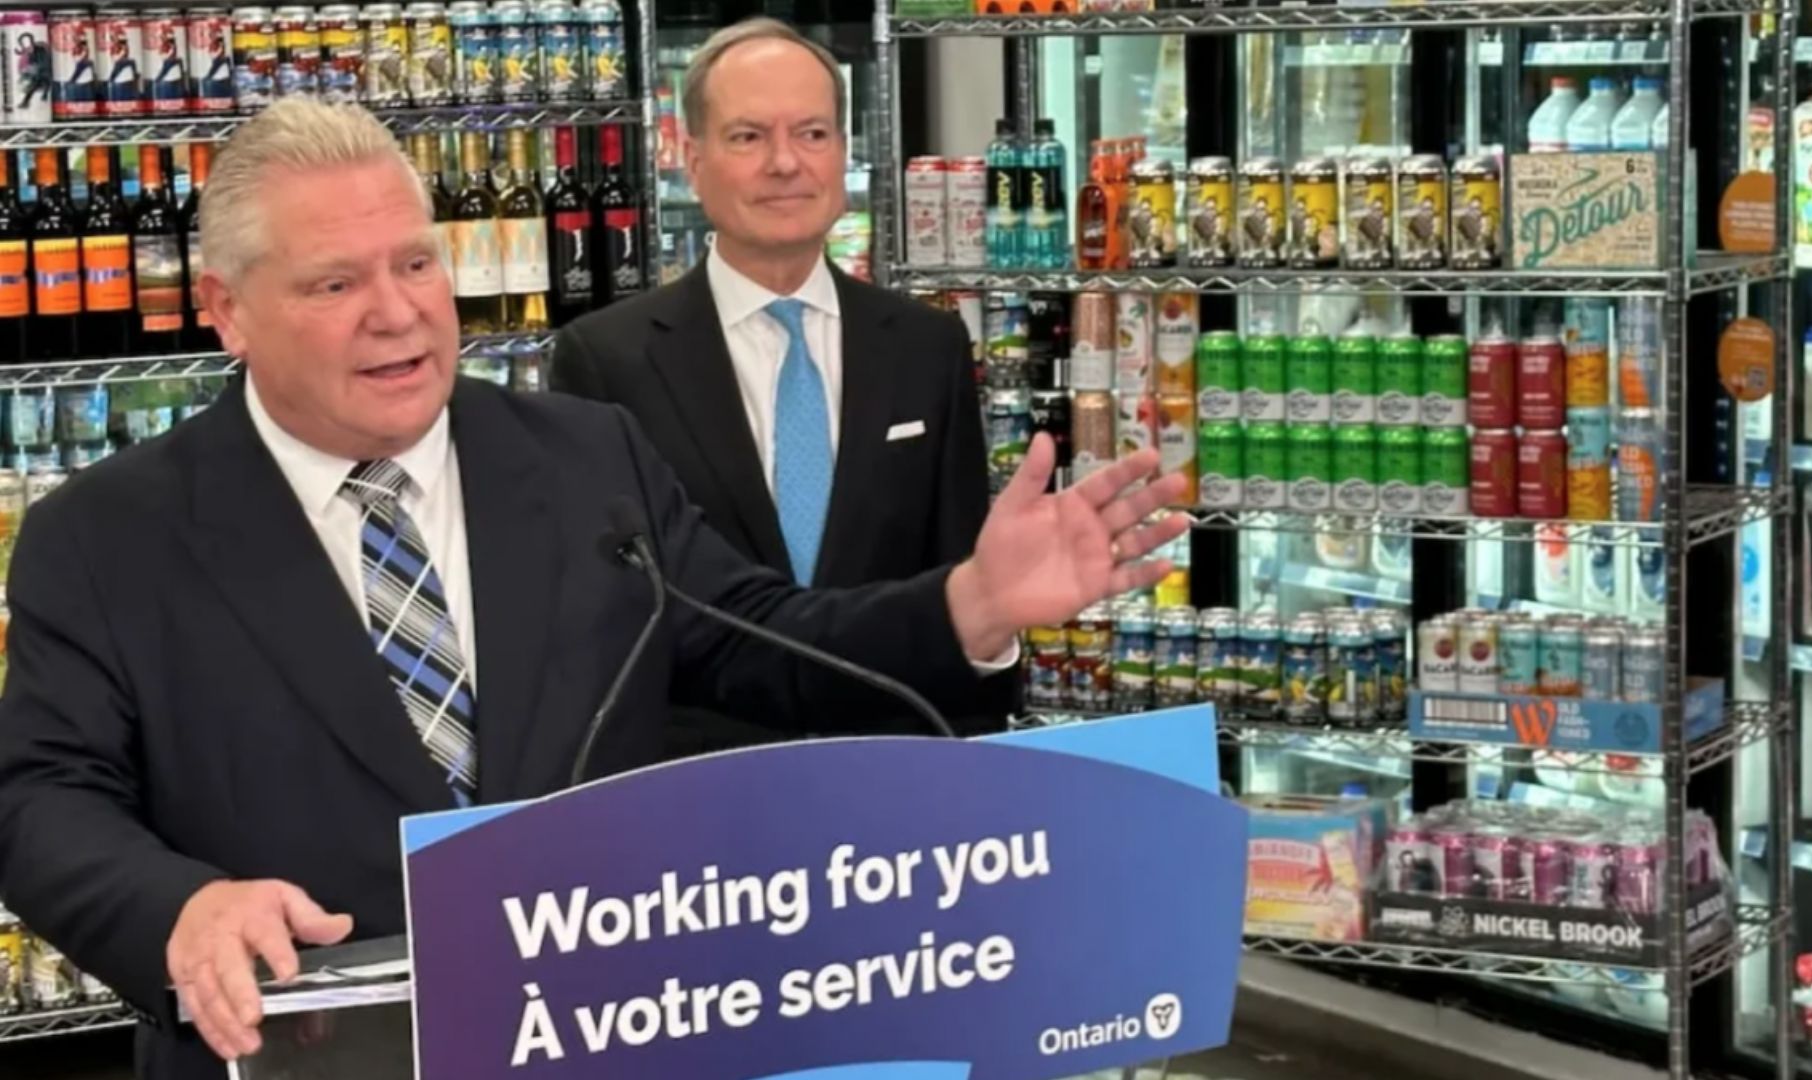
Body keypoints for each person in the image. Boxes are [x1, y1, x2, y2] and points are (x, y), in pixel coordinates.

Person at [0, 99, 1187, 1080]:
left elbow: (759, 637)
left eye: (416, 263)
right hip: (302, 1055)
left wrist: (969, 605)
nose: (398, 312)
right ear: (226, 311)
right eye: (333, 285)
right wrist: (180, 911)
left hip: (601, 1038)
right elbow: (40, 800)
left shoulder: (585, 459)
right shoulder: (104, 538)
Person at [549, 18, 1014, 750]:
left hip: (891, 768)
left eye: (812, 133)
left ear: (844, 151)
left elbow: (960, 577)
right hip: (698, 784)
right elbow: (604, 622)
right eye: (747, 137)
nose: (785, 163)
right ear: (692, 159)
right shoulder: (607, 359)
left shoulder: (928, 346)